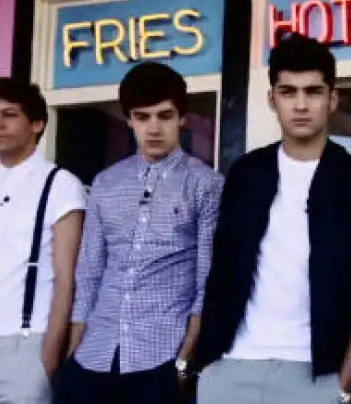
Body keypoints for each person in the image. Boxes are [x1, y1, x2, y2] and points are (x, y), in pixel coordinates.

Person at [194, 33, 351, 404]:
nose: (300, 104)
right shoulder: (246, 174)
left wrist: (344, 387)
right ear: (272, 99)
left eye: (313, 92)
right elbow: (220, 272)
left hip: (316, 375)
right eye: (288, 92)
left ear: (333, 100)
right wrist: (207, 366)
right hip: (232, 367)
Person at [54, 62, 224, 404]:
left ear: (182, 118)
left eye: (164, 115)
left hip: (161, 356)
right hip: (95, 353)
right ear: (129, 120)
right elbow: (89, 272)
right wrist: (74, 351)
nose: (154, 127)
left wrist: (185, 362)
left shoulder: (206, 184)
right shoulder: (106, 182)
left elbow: (207, 282)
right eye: (142, 117)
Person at [0, 77, 86, 403]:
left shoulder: (61, 185)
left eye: (9, 114)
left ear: (37, 124)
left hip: (27, 348)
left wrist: (48, 357)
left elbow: (67, 280)